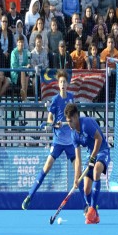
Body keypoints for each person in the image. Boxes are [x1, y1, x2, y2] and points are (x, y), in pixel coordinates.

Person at [22, 70, 82, 210]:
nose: (63, 84)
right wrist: (54, 124)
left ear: (67, 84)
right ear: (58, 84)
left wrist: (71, 122)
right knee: (46, 167)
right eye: (60, 82)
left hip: (70, 142)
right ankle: (30, 196)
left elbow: (75, 118)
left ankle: (88, 204)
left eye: (64, 82)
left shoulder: (71, 98)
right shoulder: (55, 100)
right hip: (58, 141)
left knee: (78, 172)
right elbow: (49, 119)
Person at [65, 102, 111, 225]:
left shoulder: (86, 124)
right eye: (67, 121)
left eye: (70, 121)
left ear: (76, 117)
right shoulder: (73, 134)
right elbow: (78, 159)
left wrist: (93, 157)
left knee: (96, 171)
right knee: (86, 189)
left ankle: (92, 210)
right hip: (90, 154)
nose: (69, 124)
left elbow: (99, 139)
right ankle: (95, 216)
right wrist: (76, 178)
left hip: (102, 151)